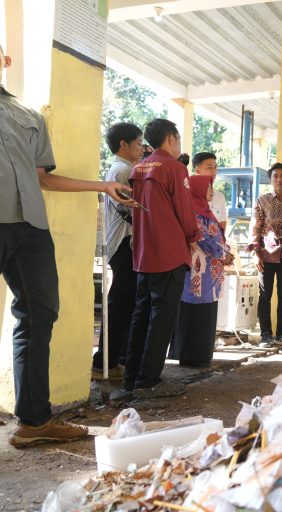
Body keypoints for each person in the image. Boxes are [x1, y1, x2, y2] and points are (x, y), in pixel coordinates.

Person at [0, 44, 135, 447]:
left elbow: (43, 178)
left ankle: (34, 421)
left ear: (5, 60)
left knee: (40, 314)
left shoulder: (28, 116)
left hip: (30, 228)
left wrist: (103, 186)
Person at [114, 118, 201, 401]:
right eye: (178, 140)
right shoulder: (175, 168)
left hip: (143, 253)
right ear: (171, 139)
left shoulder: (139, 168)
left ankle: (131, 379)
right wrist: (193, 236)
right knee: (161, 319)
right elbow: (185, 211)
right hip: (169, 253)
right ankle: (148, 381)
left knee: (141, 316)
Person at [91, 122, 144, 382]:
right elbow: (130, 208)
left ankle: (114, 360)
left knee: (125, 302)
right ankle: (104, 362)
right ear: (124, 144)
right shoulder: (122, 170)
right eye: (139, 144)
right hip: (124, 242)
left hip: (124, 242)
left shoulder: (122, 168)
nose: (142, 148)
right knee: (121, 304)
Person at [170, 175, 232, 367]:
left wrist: (225, 252)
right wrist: (224, 253)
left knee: (204, 313)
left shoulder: (205, 211)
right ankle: (192, 355)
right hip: (198, 273)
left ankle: (201, 354)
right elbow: (204, 239)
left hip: (207, 275)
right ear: (197, 189)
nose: (212, 191)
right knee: (195, 312)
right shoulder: (195, 213)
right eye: (208, 187)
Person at [248, 163, 282, 349]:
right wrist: (255, 253)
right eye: (275, 176)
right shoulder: (262, 201)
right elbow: (255, 228)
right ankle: (266, 335)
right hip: (265, 255)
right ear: (270, 180)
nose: (279, 179)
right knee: (265, 295)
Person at [193, 152, 227, 232]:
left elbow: (222, 223)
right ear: (197, 171)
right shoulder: (187, 195)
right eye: (209, 167)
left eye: (215, 167)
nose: (214, 171)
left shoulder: (220, 197)